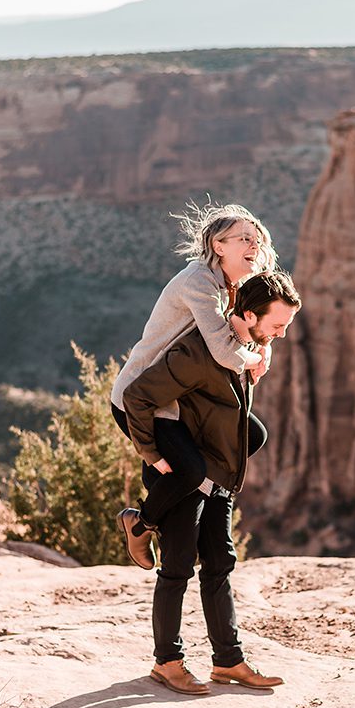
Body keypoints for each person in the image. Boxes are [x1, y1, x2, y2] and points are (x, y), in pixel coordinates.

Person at [122, 270, 301, 695]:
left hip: (216, 472)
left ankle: (229, 662)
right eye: (277, 325)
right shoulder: (200, 352)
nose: (281, 334)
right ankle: (167, 662)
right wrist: (154, 455)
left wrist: (260, 349)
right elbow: (137, 396)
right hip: (184, 474)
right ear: (249, 313)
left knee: (220, 562)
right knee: (178, 566)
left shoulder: (244, 347)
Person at [110, 203, 277, 570]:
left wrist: (262, 348)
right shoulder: (198, 281)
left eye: (258, 239)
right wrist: (253, 360)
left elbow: (258, 322)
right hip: (142, 399)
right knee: (189, 470)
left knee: (253, 434)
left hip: (179, 399)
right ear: (219, 246)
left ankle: (192, 492)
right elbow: (222, 351)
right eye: (244, 238)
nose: (255, 245)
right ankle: (140, 523)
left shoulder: (232, 286)